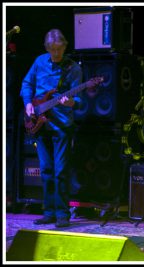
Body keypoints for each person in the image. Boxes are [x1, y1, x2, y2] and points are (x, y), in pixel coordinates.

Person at [20, 29, 83, 227]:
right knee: (46, 170)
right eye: (52, 50)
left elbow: (79, 99)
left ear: (64, 46)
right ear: (47, 48)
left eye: (59, 49)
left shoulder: (73, 68)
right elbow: (26, 83)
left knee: (61, 171)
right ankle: (48, 212)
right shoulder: (39, 62)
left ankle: (62, 215)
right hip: (39, 122)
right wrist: (28, 103)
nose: (56, 53)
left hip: (62, 125)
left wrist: (70, 102)